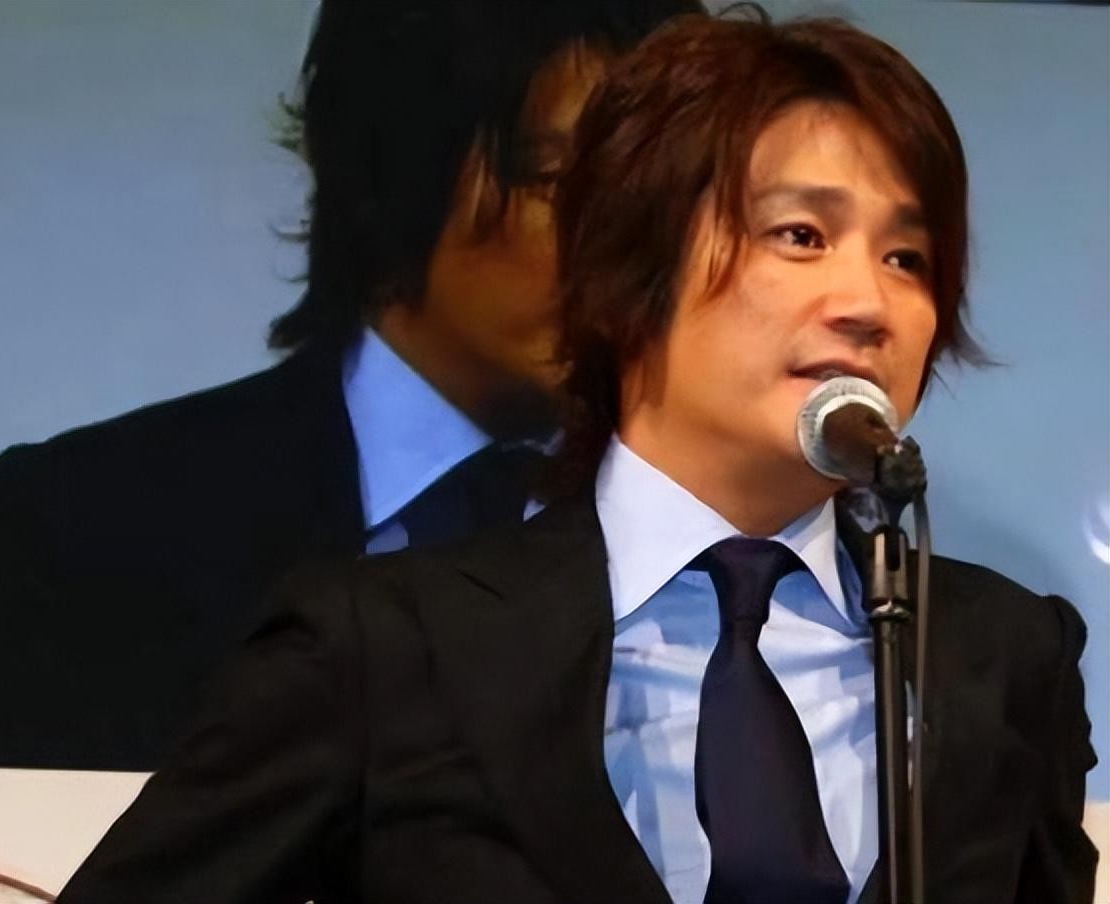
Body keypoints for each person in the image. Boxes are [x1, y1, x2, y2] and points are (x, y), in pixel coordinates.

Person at [55, 9, 1098, 904]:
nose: (869, 302)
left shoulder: (1004, 657)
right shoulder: (384, 647)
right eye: (800, 236)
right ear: (626, 270)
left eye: (909, 257)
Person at [0, 0, 699, 771]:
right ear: (389, 171)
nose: (628, 248)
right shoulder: (81, 533)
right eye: (559, 182)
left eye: (663, 199)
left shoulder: (744, 546)